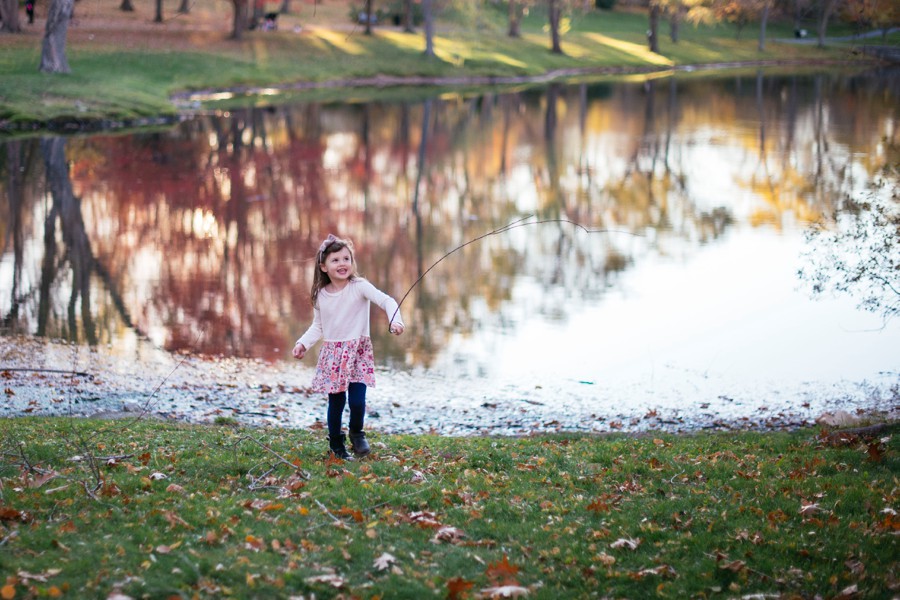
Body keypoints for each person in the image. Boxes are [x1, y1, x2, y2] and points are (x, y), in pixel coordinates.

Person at [293, 234, 404, 460]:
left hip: (358, 352)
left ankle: (357, 433)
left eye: (346, 258)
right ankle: (336, 444)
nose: (342, 263)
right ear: (323, 267)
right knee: (336, 402)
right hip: (334, 355)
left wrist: (396, 320)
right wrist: (302, 343)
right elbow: (318, 326)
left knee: (357, 400)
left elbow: (387, 301)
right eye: (335, 260)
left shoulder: (359, 287)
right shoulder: (321, 295)